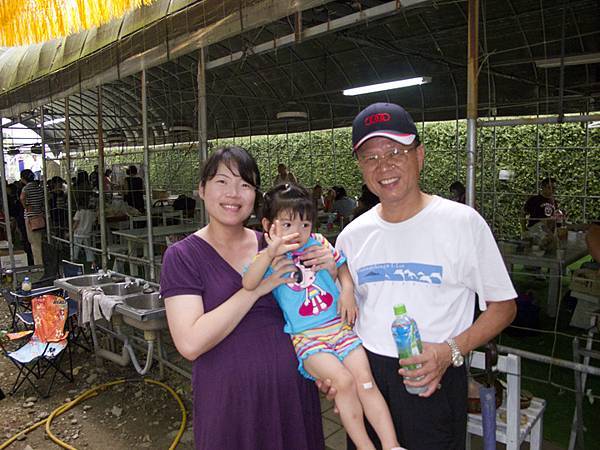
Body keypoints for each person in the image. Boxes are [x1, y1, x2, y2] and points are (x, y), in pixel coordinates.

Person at [336, 103, 517, 450]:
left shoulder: (462, 223)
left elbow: (504, 307)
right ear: (361, 167)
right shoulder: (352, 236)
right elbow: (346, 314)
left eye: (395, 152)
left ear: (419, 156)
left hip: (434, 376)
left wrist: (450, 352)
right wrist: (337, 372)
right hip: (367, 378)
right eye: (371, 157)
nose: (384, 166)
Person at [160, 146, 339, 450]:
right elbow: (190, 343)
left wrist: (331, 274)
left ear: (255, 196)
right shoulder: (183, 257)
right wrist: (255, 289)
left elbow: (315, 313)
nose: (233, 194)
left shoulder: (279, 245)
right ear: (202, 189)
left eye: (245, 184)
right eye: (222, 182)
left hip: (292, 397)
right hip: (230, 405)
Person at [242, 182, 400, 450]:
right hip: (308, 338)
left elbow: (342, 265)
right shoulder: (269, 259)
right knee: (343, 382)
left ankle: (391, 444)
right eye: (287, 224)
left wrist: (347, 290)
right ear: (268, 225)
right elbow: (248, 282)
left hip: (340, 328)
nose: (298, 232)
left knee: (365, 382)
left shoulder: (318, 242)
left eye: (305, 224)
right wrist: (270, 252)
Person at [20, 169, 45, 265]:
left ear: (23, 178)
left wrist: (26, 207)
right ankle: (40, 262)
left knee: (34, 243)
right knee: (39, 241)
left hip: (30, 218)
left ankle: (38, 264)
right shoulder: (38, 187)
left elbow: (22, 198)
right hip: (39, 216)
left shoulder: (26, 188)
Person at [73, 198, 98, 265]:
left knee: (76, 248)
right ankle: (93, 263)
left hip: (78, 233)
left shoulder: (79, 212)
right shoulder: (91, 213)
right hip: (87, 233)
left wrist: (71, 231)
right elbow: (94, 222)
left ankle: (73, 261)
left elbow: (76, 223)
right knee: (88, 249)